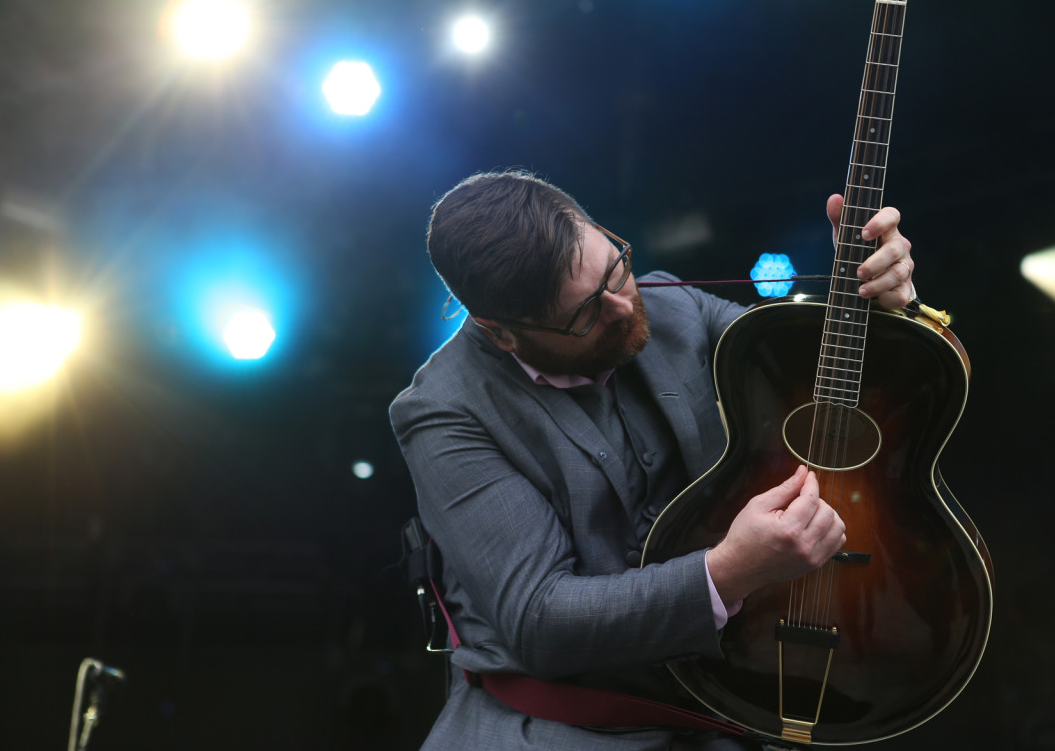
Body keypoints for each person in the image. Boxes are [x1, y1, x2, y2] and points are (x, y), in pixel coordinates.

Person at [389, 169, 916, 750]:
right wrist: (728, 571)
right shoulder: (443, 411)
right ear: (502, 334)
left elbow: (828, 380)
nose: (622, 306)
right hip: (561, 727)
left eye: (615, 266)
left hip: (733, 708)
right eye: (586, 313)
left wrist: (884, 304)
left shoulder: (671, 305)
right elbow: (541, 619)